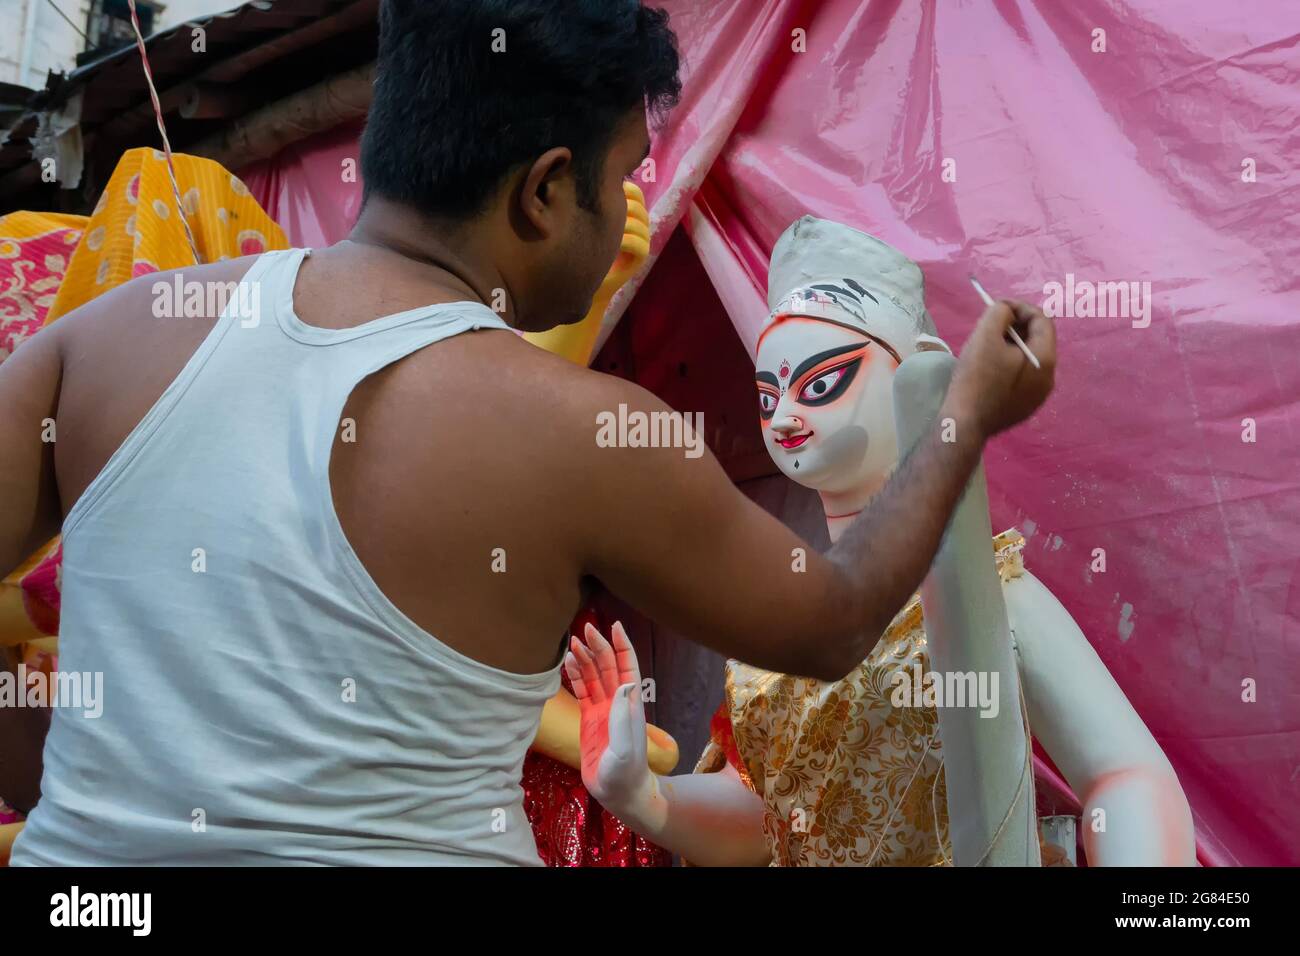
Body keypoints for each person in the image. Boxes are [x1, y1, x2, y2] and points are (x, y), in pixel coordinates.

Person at [0, 0, 1055, 865]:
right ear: (547, 191)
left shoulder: (99, 344)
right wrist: (966, 411)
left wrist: (77, 782)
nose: (634, 203)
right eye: (623, 174)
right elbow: (829, 620)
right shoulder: (582, 433)